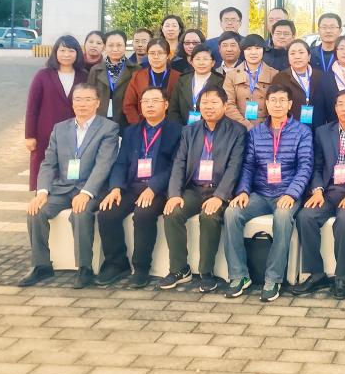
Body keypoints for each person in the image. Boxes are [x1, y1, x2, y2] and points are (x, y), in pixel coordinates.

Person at [19, 84, 119, 288]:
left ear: (97, 103)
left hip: (91, 189)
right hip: (63, 187)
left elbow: (103, 164)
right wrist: (42, 192)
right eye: (78, 99)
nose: (82, 104)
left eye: (88, 99)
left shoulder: (108, 128)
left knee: (80, 213)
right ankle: (41, 265)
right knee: (36, 211)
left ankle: (84, 268)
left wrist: (86, 193)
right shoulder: (60, 128)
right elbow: (48, 163)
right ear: (72, 103)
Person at [224, 85, 314, 302]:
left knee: (282, 217)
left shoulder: (302, 131)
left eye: (282, 100)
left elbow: (305, 166)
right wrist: (243, 191)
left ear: (290, 104)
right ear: (266, 103)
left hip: (287, 194)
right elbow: (248, 166)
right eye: (273, 100)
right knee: (231, 213)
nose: (277, 104)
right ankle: (239, 275)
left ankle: (273, 278)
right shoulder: (256, 132)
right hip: (261, 193)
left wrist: (291, 194)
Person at [292, 90, 345, 300]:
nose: (344, 108)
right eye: (340, 104)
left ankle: (341, 276)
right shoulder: (322, 132)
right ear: (335, 108)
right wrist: (317, 190)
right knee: (305, 216)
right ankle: (316, 273)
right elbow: (316, 166)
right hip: (328, 191)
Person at [160, 86, 247, 292]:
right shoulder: (189, 131)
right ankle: (179, 269)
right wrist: (174, 194)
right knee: (172, 211)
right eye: (204, 103)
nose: (208, 107)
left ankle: (206, 272)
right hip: (194, 189)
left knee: (208, 216)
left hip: (219, 191)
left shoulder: (237, 131)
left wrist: (220, 196)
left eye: (214, 102)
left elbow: (235, 167)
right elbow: (179, 163)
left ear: (224, 106)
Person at [96, 87, 183, 288]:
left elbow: (176, 166)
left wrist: (153, 187)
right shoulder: (131, 131)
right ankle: (116, 263)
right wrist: (116, 188)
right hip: (132, 185)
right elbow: (121, 163)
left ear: (166, 105)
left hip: (159, 189)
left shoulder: (178, 131)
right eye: (145, 101)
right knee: (107, 212)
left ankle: (141, 267)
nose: (150, 105)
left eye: (155, 101)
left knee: (143, 214)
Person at [25, 35, 88, 190]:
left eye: (71, 51)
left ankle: (67, 193)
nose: (66, 54)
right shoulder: (43, 75)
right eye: (62, 50)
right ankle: (42, 193)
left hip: (75, 131)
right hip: (46, 131)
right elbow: (32, 107)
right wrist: (29, 135)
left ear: (77, 53)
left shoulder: (84, 76)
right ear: (55, 52)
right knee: (45, 165)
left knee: (71, 165)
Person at [86, 29, 139, 128]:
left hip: (126, 121)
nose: (115, 49)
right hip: (100, 121)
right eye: (110, 45)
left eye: (119, 45)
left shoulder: (135, 69)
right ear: (105, 47)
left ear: (125, 46)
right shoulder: (95, 70)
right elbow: (89, 97)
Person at [224, 34, 278, 130]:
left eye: (257, 48)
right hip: (238, 127)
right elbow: (228, 104)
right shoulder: (231, 75)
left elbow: (277, 103)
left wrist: (267, 126)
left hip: (267, 128)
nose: (253, 52)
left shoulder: (274, 74)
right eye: (248, 49)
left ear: (263, 50)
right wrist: (246, 125)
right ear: (243, 51)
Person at [122, 38, 181, 126]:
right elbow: (128, 105)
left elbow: (181, 107)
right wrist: (139, 125)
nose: (156, 57)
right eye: (152, 53)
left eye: (160, 53)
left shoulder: (178, 77)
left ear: (168, 55)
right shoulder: (138, 76)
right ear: (147, 55)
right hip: (143, 125)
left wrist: (174, 125)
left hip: (170, 126)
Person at [270, 39, 326, 128]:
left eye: (301, 52)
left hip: (318, 129)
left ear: (309, 57)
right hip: (290, 129)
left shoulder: (321, 76)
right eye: (292, 53)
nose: (297, 57)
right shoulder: (280, 78)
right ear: (288, 58)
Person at [168, 45, 224, 125]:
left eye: (205, 59)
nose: (201, 63)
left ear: (213, 63)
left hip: (212, 128)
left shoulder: (221, 81)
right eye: (197, 59)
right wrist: (181, 128)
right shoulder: (182, 80)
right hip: (183, 128)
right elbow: (173, 109)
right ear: (191, 62)